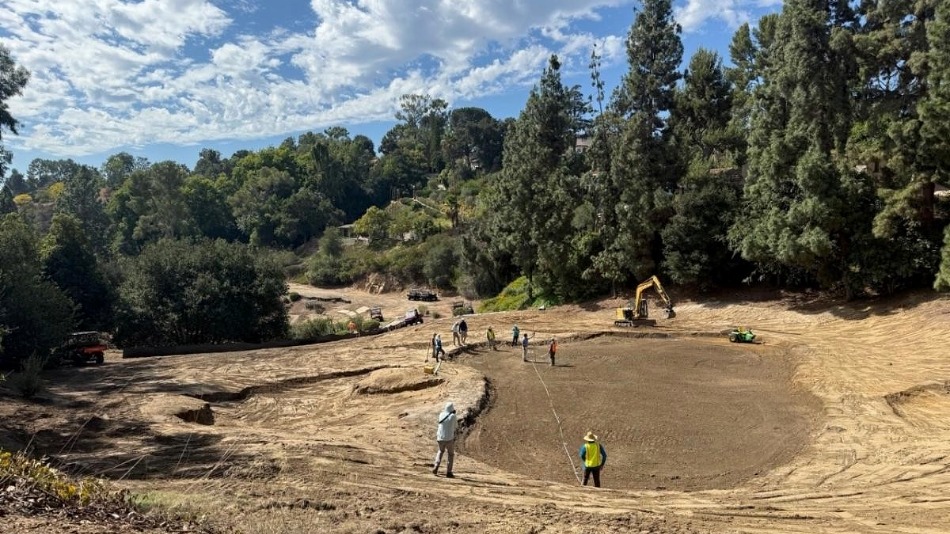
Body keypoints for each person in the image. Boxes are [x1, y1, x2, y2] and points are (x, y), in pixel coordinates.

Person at [433, 401, 458, 478]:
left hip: (440, 437)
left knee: (440, 451)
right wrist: (454, 414)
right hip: (449, 438)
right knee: (450, 454)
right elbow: (456, 426)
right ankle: (449, 472)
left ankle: (436, 466)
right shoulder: (453, 416)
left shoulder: (441, 414)